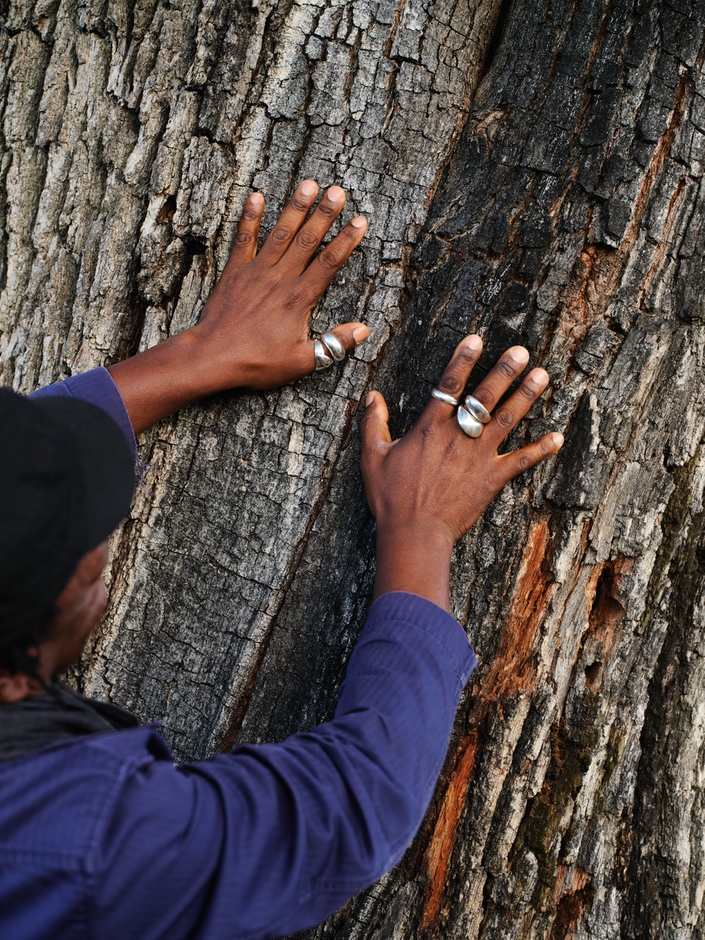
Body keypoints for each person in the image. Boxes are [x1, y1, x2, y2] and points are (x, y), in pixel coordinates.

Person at [0, 181, 563, 939]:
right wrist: (419, 532)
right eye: (88, 560)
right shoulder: (77, 838)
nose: (97, 552)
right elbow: (352, 809)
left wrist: (194, 357)